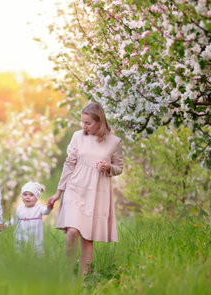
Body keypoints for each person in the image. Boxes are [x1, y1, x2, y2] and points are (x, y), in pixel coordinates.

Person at [47, 102, 123, 275]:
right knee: (73, 231)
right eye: (83, 122)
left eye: (88, 123)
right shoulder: (77, 137)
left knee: (88, 238)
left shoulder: (114, 142)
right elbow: (69, 163)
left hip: (96, 193)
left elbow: (119, 167)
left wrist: (109, 167)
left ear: (99, 121)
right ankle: (66, 273)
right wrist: (59, 191)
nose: (84, 126)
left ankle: (82, 280)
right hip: (75, 187)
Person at [5, 182, 54, 255]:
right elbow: (15, 221)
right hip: (21, 235)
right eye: (25, 194)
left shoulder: (39, 208)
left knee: (36, 249)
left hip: (35, 235)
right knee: (21, 249)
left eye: (31, 195)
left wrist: (49, 208)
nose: (27, 197)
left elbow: (46, 212)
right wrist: (6, 225)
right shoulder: (19, 209)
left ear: (37, 198)